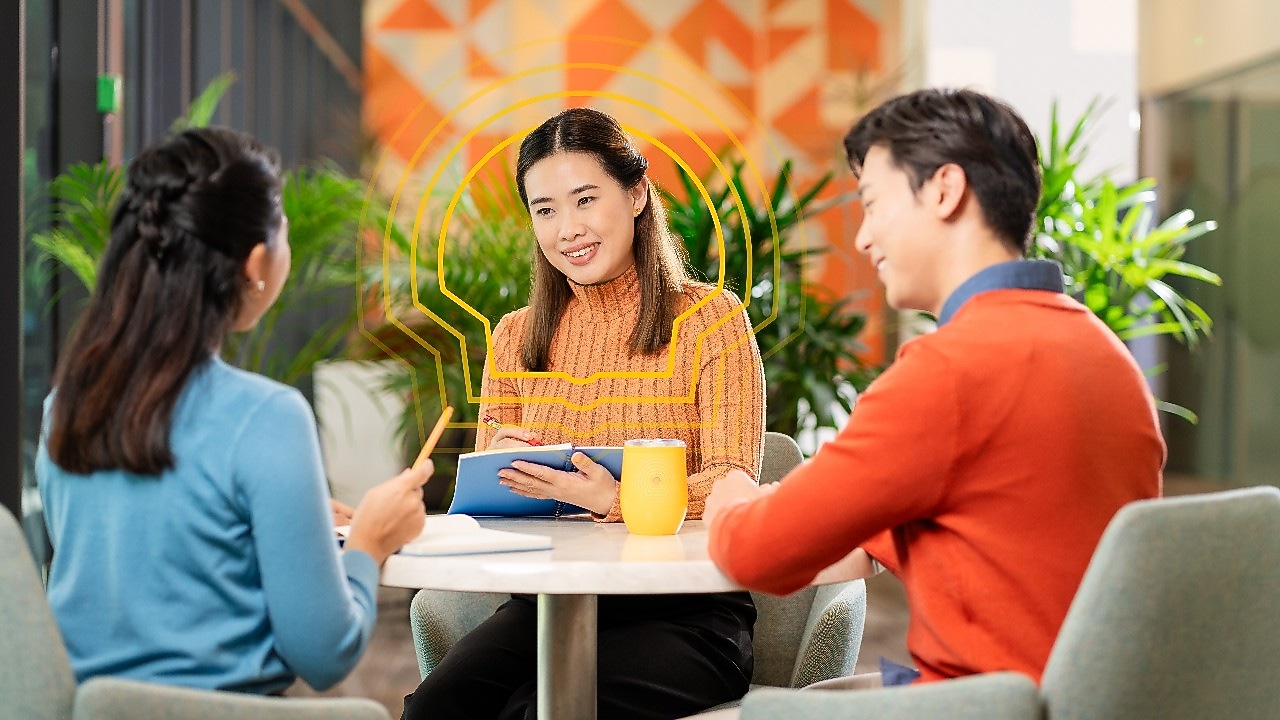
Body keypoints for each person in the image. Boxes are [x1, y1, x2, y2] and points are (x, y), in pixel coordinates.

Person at [704, 88, 1166, 688]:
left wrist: (730, 498)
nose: (865, 238)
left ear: (945, 190)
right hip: (1081, 698)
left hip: (977, 703)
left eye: (872, 204)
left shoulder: (948, 369)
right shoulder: (1105, 354)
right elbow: (1005, 533)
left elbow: (753, 554)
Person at [401, 107, 766, 720]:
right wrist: (497, 463)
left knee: (533, 712)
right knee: (435, 711)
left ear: (637, 194)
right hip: (548, 604)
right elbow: (490, 507)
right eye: (544, 210)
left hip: (686, 609)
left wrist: (617, 497)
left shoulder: (712, 322)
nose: (567, 228)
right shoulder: (514, 338)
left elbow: (735, 479)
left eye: (584, 199)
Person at [37, 127, 430, 695]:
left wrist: (274, 515)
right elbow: (324, 653)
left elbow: (127, 573)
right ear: (255, 264)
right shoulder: (269, 418)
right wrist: (370, 540)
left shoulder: (64, 409)